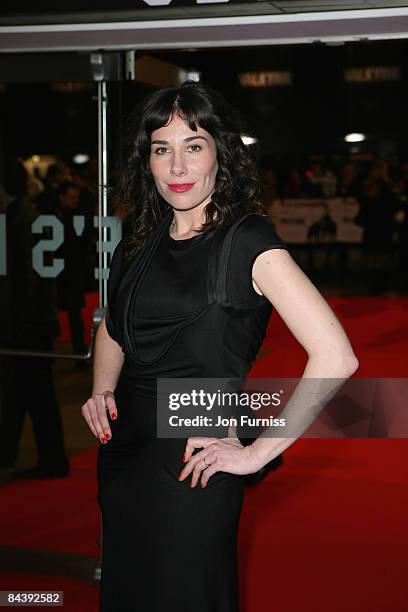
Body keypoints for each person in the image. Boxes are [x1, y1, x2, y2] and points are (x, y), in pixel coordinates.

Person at [81, 82, 359, 611]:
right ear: (148, 163)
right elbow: (114, 327)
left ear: (219, 154)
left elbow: (336, 356)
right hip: (122, 457)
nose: (178, 167)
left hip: (193, 463)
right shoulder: (139, 239)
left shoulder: (247, 239)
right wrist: (101, 389)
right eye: (162, 149)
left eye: (194, 145)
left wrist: (257, 453)